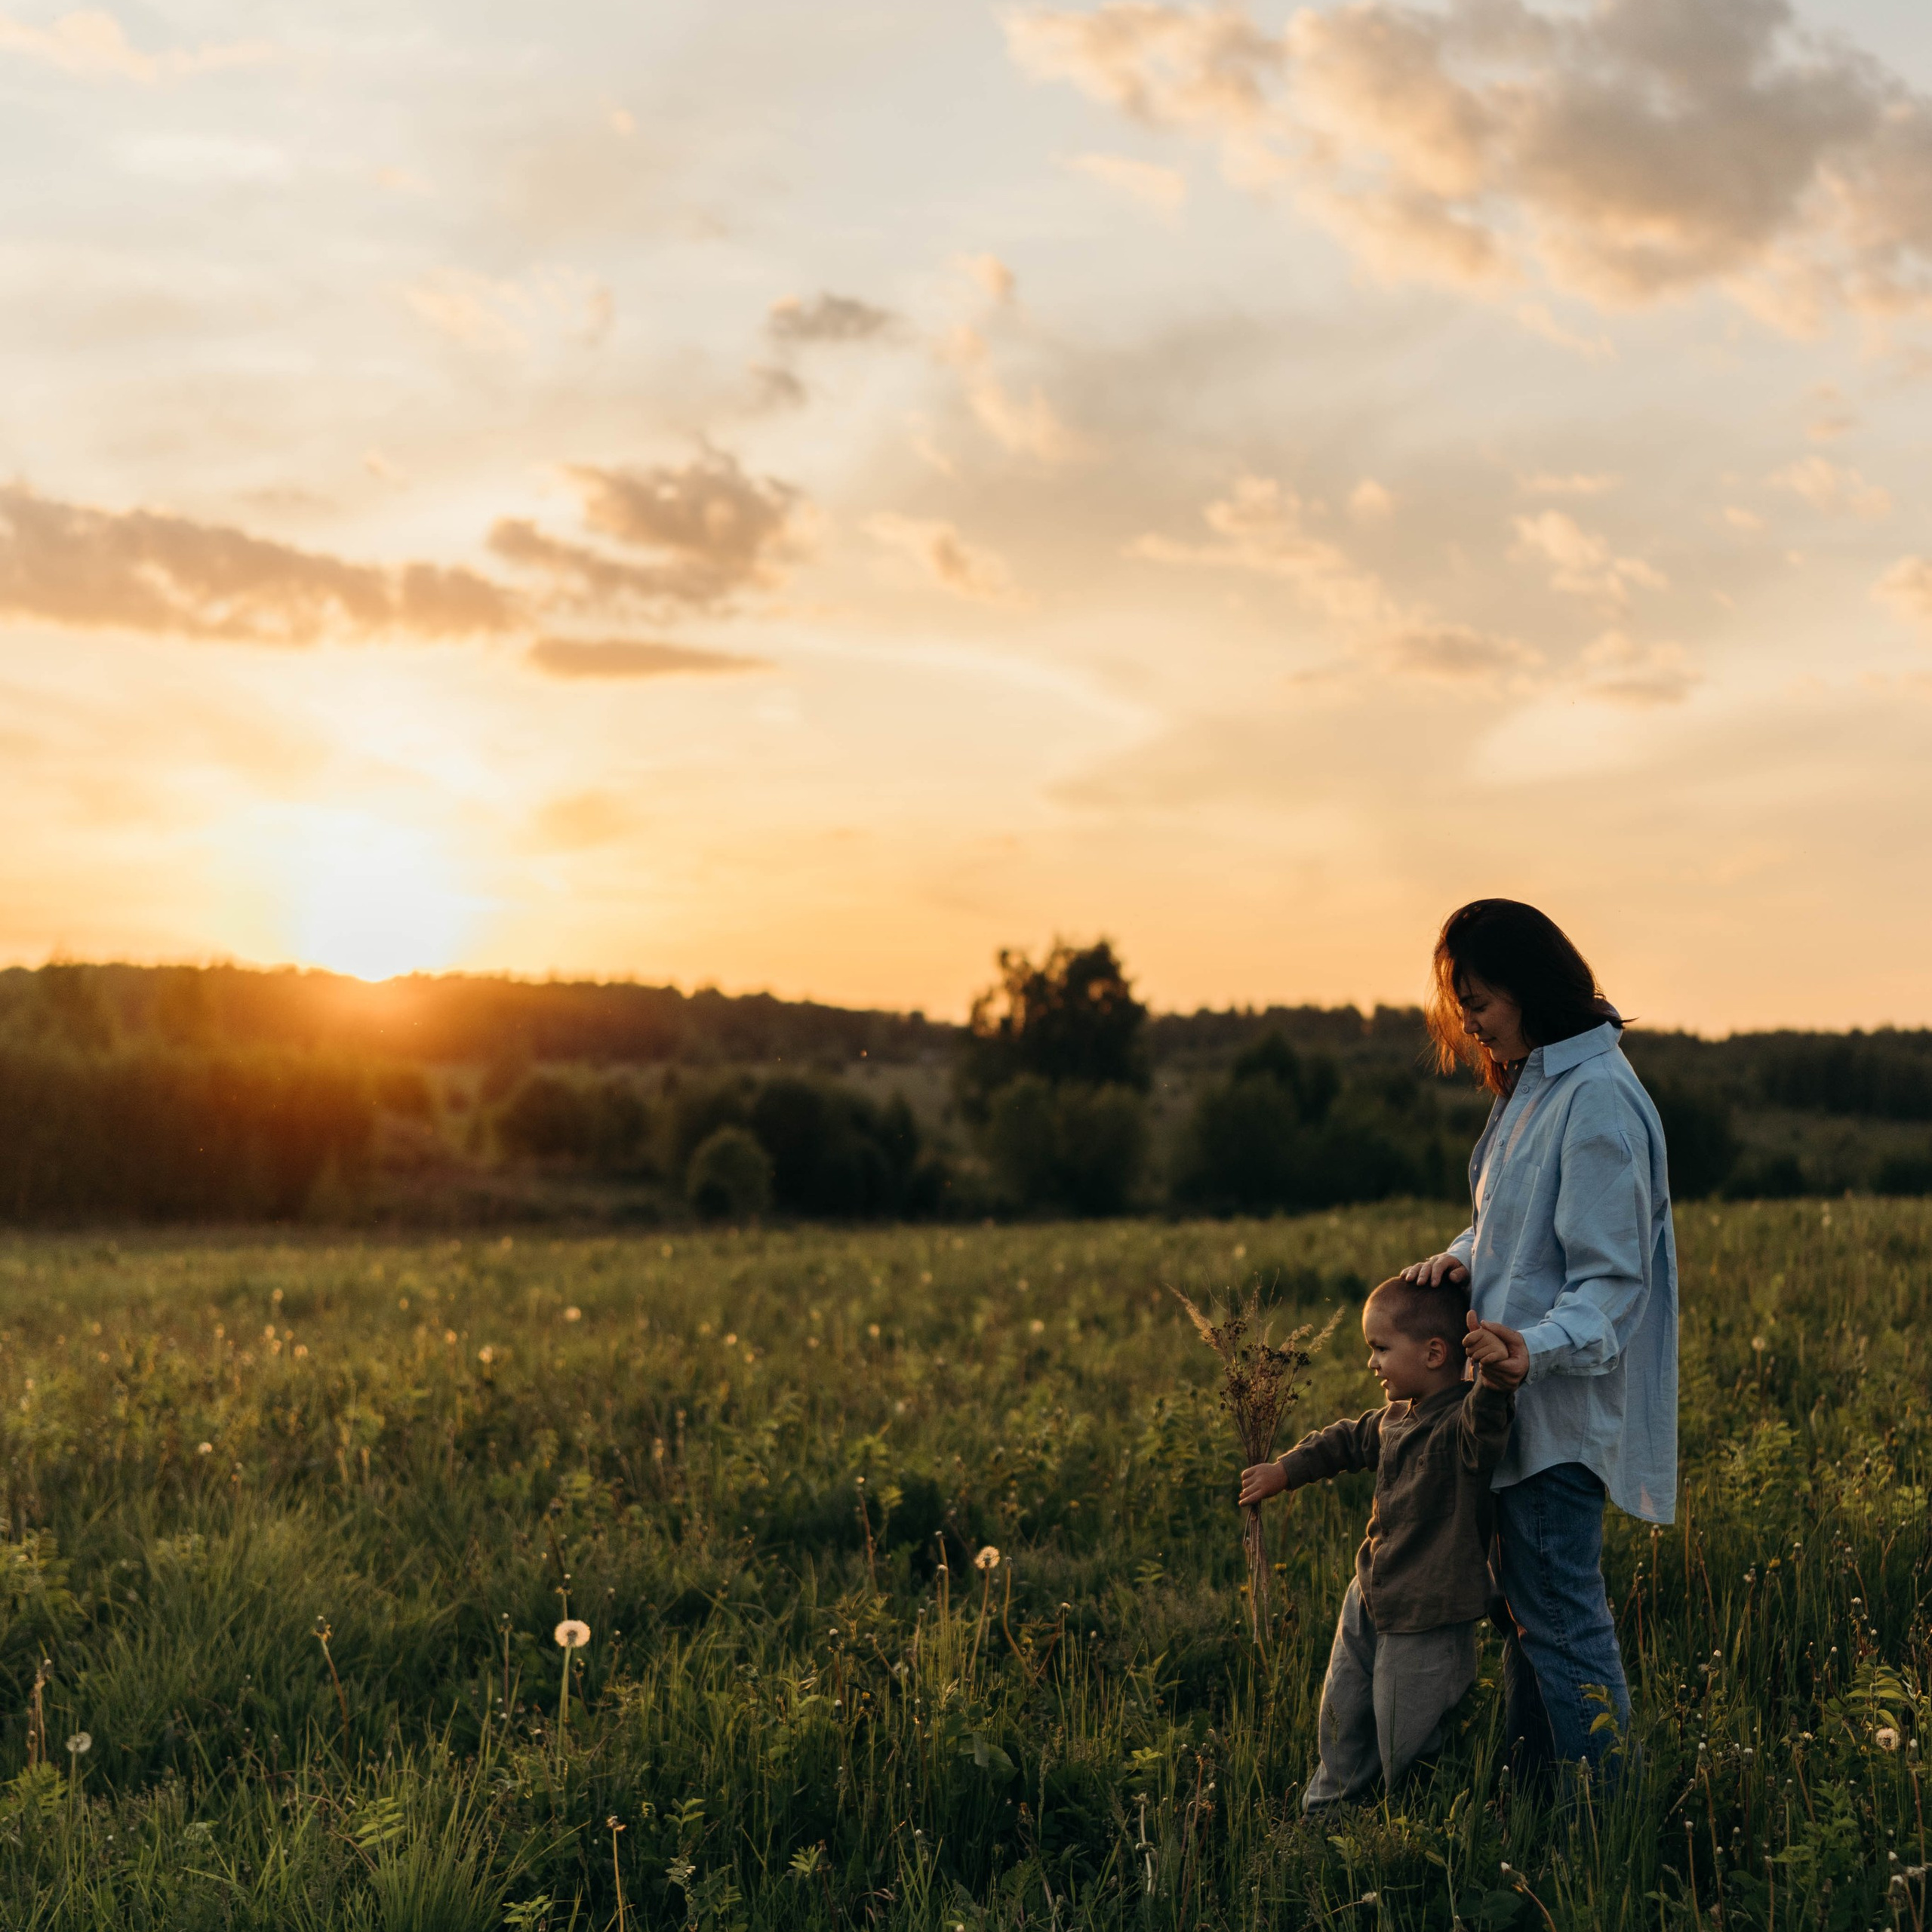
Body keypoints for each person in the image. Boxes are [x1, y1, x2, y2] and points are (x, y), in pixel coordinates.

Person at [1402, 897, 1678, 1782]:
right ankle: (1533, 1807)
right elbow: (1510, 1231)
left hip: (1555, 1413)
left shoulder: (1595, 1099)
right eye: (1462, 1005)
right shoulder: (1537, 1086)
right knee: (1533, 1620)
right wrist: (1454, 1261)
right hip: (1510, 1406)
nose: (1469, 1024)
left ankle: (1608, 1819)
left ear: (1529, 989)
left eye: (1479, 1002)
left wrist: (1531, 1347)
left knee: (1561, 1622)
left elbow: (1611, 1281)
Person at [1239, 1275, 1514, 1809]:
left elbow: (1488, 1423)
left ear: (1435, 1353)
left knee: (1404, 1733)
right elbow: (1343, 1440)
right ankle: (1328, 1810)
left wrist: (1497, 1381)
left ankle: (1412, 1825)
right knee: (1343, 1711)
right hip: (1370, 1595)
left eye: (1381, 1349)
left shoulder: (1463, 1424)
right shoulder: (1393, 1418)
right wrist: (1283, 1471)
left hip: (1428, 1610)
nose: (1372, 1363)